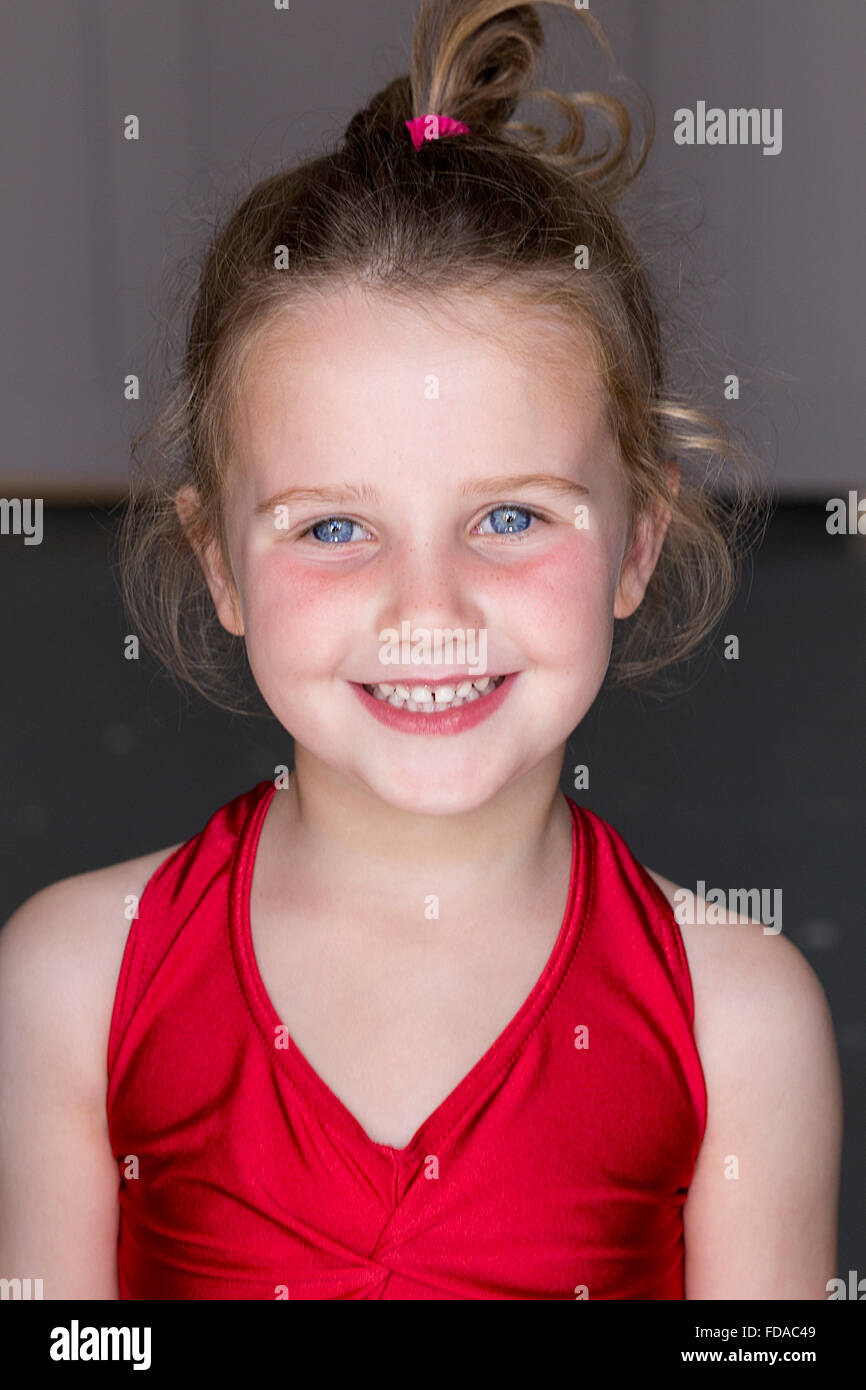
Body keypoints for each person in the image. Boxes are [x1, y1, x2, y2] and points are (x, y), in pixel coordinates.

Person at [0, 0, 841, 1300]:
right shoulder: (75, 977)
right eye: (334, 525)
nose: (424, 605)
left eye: (508, 516)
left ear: (634, 540)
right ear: (219, 562)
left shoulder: (737, 1018)